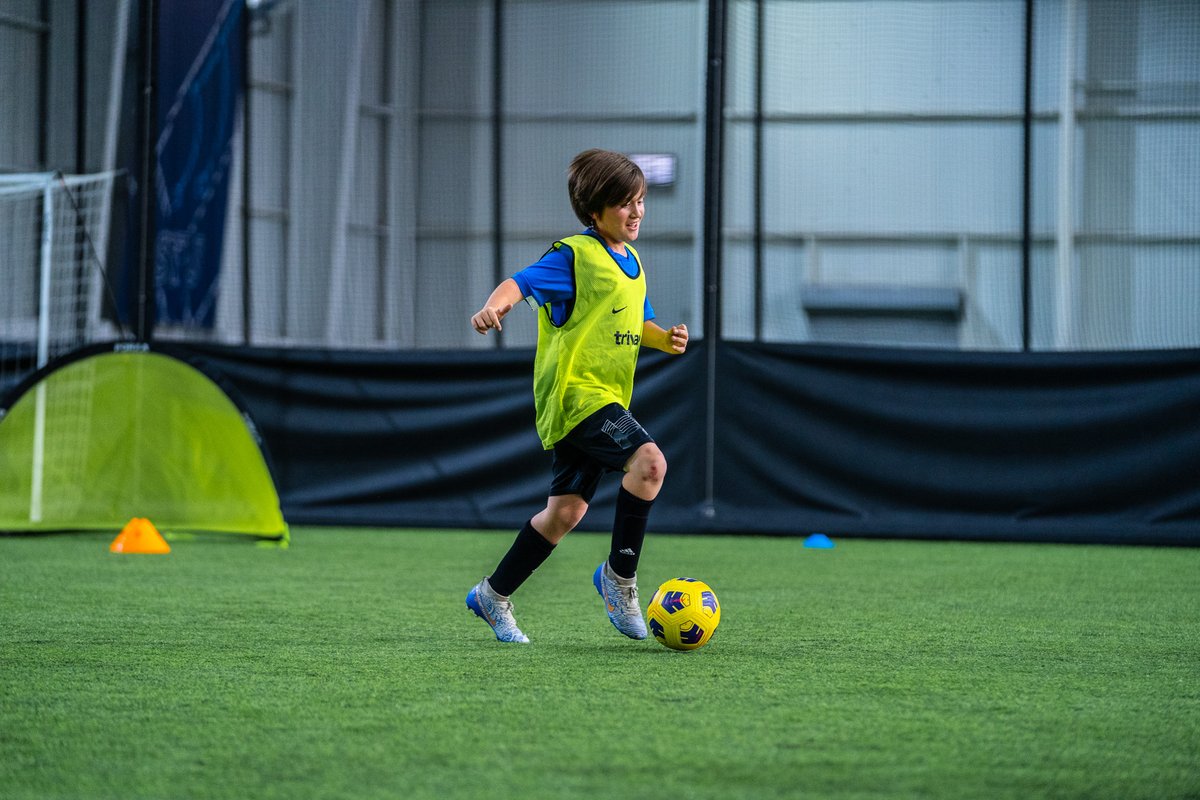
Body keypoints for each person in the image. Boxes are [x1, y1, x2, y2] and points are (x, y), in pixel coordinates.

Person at [465, 148, 689, 644]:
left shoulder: (631, 261)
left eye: (641, 200)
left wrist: (664, 338)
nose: (637, 212)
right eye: (625, 204)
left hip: (604, 400)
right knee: (649, 464)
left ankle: (492, 594)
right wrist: (493, 307)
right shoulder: (574, 255)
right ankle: (619, 580)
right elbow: (518, 283)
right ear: (595, 211)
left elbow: (638, 324)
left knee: (565, 513)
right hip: (576, 398)